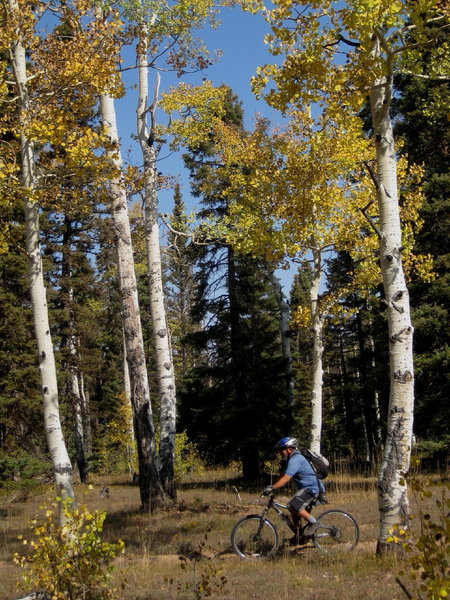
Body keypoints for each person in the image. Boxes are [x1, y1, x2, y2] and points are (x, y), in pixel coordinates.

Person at [263, 436, 325, 544]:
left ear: (290, 449)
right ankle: (299, 536)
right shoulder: (291, 460)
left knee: (292, 505)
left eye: (282, 449)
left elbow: (286, 478)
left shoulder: (296, 459)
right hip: (307, 489)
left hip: (311, 489)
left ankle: (314, 523)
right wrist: (272, 486)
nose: (280, 452)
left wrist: (273, 487)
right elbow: (283, 475)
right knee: (294, 511)